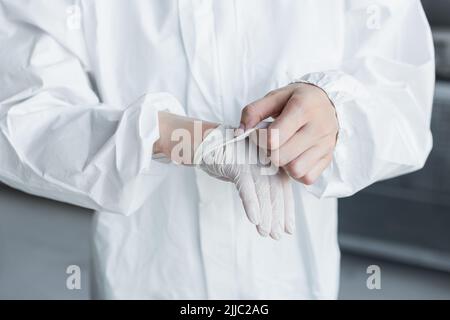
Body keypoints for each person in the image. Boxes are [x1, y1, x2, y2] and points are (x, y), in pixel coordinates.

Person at [0, 0, 434, 299]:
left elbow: (402, 99)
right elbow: (21, 115)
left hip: (292, 277)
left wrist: (336, 114)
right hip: (148, 276)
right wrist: (173, 135)